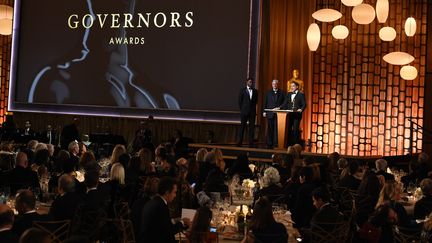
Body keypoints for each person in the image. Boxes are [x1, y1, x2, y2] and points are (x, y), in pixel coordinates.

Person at [139, 177, 190, 243]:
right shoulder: (161, 206)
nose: (175, 195)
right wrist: (182, 223)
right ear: (167, 192)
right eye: (174, 192)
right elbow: (169, 232)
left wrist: (174, 221)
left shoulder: (153, 202)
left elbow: (160, 224)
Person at [280, 81, 306, 145]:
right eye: (291, 86)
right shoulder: (289, 94)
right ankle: (288, 144)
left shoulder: (301, 94)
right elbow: (285, 103)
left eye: (293, 86)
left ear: (297, 87)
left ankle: (296, 145)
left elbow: (304, 104)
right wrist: (279, 107)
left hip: (296, 115)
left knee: (295, 129)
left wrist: (301, 109)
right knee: (288, 129)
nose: (292, 87)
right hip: (289, 114)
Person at [263, 79, 285, 148]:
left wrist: (280, 108)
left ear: (277, 84)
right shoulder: (268, 92)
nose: (274, 85)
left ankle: (276, 143)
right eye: (273, 84)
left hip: (279, 114)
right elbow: (265, 102)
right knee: (270, 128)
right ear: (271, 85)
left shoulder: (282, 92)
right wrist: (264, 111)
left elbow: (285, 102)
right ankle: (269, 143)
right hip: (270, 113)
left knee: (277, 129)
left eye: (276, 84)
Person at [237, 78, 258, 147]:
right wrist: (242, 110)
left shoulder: (255, 91)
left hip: (252, 112)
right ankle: (240, 142)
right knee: (242, 127)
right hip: (244, 112)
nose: (251, 83)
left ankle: (251, 143)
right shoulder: (242, 90)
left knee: (252, 128)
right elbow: (240, 101)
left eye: (252, 82)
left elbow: (256, 101)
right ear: (247, 83)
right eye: (249, 82)